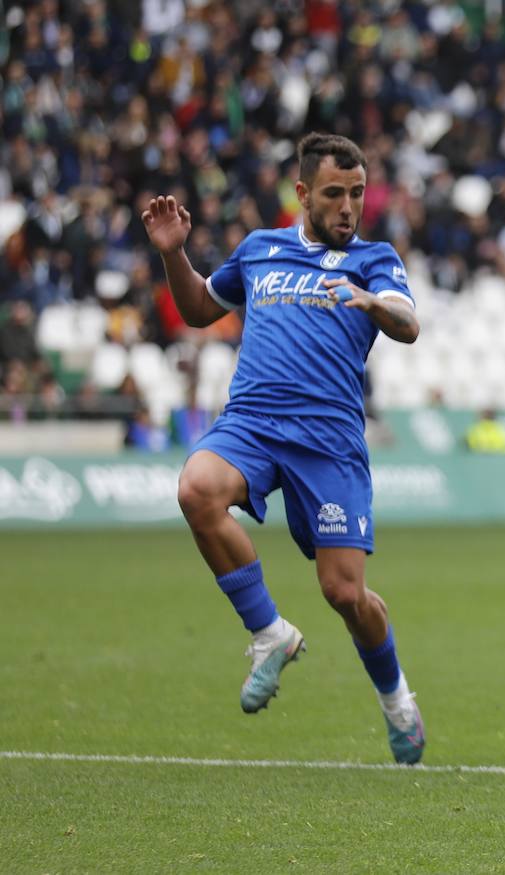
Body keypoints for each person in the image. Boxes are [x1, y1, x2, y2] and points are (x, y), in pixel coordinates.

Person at [141, 133, 426, 764]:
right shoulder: (260, 250)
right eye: (335, 193)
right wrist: (174, 256)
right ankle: (269, 632)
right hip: (254, 422)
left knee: (346, 595)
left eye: (357, 192)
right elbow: (196, 309)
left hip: (328, 442)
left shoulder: (374, 259)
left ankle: (396, 698)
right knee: (196, 489)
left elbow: (409, 324)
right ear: (302, 194)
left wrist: (372, 301)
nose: (349, 206)